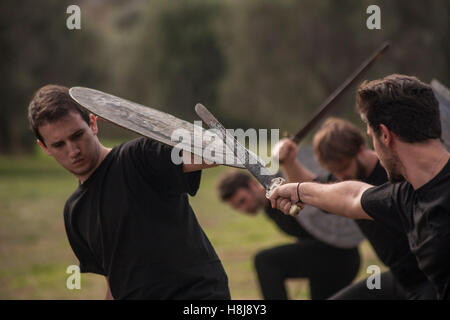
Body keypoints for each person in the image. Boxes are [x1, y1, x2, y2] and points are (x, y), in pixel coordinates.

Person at [27, 84, 230, 300]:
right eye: (59, 144)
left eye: (77, 135)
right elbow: (115, 280)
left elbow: (216, 152)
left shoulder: (139, 157)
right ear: (45, 148)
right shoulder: (74, 212)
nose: (73, 150)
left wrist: (137, 121)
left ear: (93, 124)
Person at [269, 74, 450, 299]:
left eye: (371, 136)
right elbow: (352, 196)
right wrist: (297, 189)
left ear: (384, 135)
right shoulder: (404, 195)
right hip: (403, 279)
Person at [216, 170, 360, 300]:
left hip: (340, 254)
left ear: (252, 185)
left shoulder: (283, 191)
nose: (244, 209)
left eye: (243, 201)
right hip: (328, 258)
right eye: (237, 207)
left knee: (265, 261)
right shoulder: (269, 207)